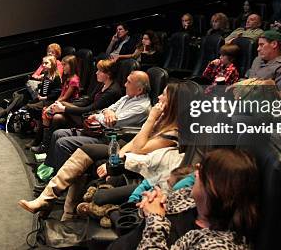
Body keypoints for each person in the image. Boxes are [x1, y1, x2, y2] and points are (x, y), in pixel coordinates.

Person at [19, 81, 181, 220]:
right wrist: (116, 159)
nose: (158, 97)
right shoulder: (162, 120)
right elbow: (133, 143)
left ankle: (55, 205)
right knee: (84, 151)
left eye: (163, 95)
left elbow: (139, 149)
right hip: (128, 154)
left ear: (173, 103)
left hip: (143, 168)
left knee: (85, 152)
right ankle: (53, 204)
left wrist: (151, 119)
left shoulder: (172, 131)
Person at [136, 148, 259, 250]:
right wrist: (150, 203)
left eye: (205, 169)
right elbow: (152, 212)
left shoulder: (218, 246)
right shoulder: (188, 196)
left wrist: (155, 222)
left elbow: (155, 220)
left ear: (216, 188)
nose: (196, 172)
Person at [46, 71, 151, 171]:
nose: (125, 84)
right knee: (57, 134)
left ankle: (58, 184)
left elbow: (112, 123)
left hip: (109, 139)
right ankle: (48, 169)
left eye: (129, 82)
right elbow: (108, 109)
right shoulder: (127, 97)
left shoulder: (142, 107)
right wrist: (108, 112)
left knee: (62, 143)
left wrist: (98, 116)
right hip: (98, 131)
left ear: (139, 90)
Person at [0, 43, 63, 123]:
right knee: (19, 97)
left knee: (26, 100)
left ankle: (7, 119)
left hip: (44, 94)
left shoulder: (57, 65)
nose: (49, 53)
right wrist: (40, 77)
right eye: (49, 51)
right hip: (37, 89)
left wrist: (41, 79)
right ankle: (5, 117)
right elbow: (34, 75)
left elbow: (55, 82)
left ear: (57, 54)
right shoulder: (45, 64)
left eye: (52, 52)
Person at [47, 59, 122, 128]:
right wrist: (67, 106)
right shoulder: (102, 83)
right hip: (87, 112)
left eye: (100, 71)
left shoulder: (113, 91)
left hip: (93, 119)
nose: (96, 73)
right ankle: (45, 139)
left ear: (108, 74)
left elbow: (91, 108)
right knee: (58, 114)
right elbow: (88, 101)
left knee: (57, 113)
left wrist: (64, 109)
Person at [31, 55, 81, 154]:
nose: (62, 67)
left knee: (50, 114)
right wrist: (54, 104)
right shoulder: (67, 78)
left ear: (71, 66)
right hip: (62, 103)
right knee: (45, 112)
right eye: (61, 64)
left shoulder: (74, 80)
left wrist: (53, 105)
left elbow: (65, 97)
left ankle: (46, 146)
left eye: (64, 65)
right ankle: (43, 144)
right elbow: (61, 95)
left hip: (69, 107)